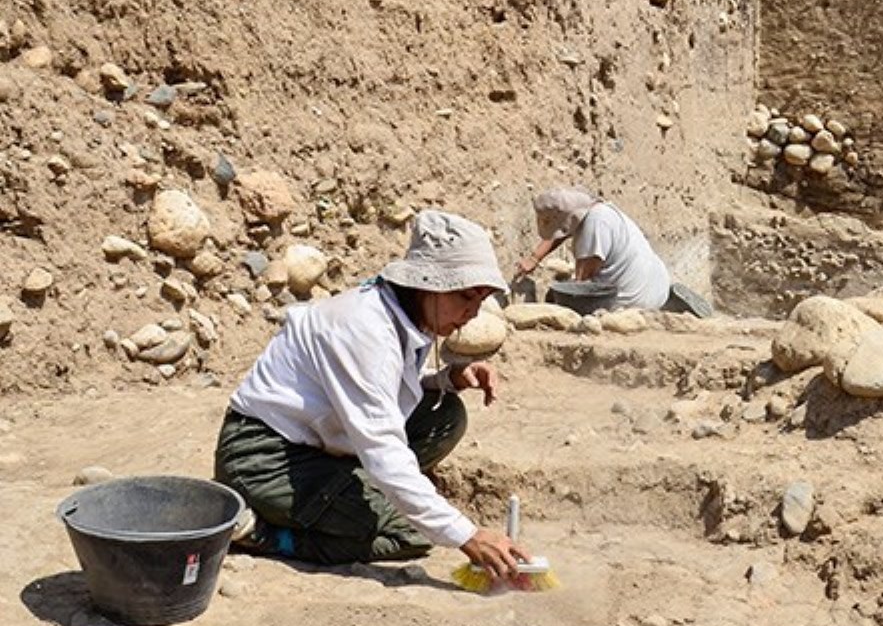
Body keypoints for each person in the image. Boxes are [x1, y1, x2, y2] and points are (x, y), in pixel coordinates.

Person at [213, 210, 531, 581]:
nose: (472, 314)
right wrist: (469, 536)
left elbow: (378, 386)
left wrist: (447, 379)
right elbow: (383, 446)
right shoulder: (365, 330)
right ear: (429, 284)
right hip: (263, 459)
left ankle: (353, 495)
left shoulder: (405, 314)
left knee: (445, 416)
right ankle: (263, 533)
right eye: (466, 297)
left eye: (482, 300)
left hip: (318, 444)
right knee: (410, 532)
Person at [515, 186, 712, 317]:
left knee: (563, 296)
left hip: (633, 301)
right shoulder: (597, 210)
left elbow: (582, 284)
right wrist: (534, 258)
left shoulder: (595, 226)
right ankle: (670, 305)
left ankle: (661, 311)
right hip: (659, 284)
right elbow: (563, 231)